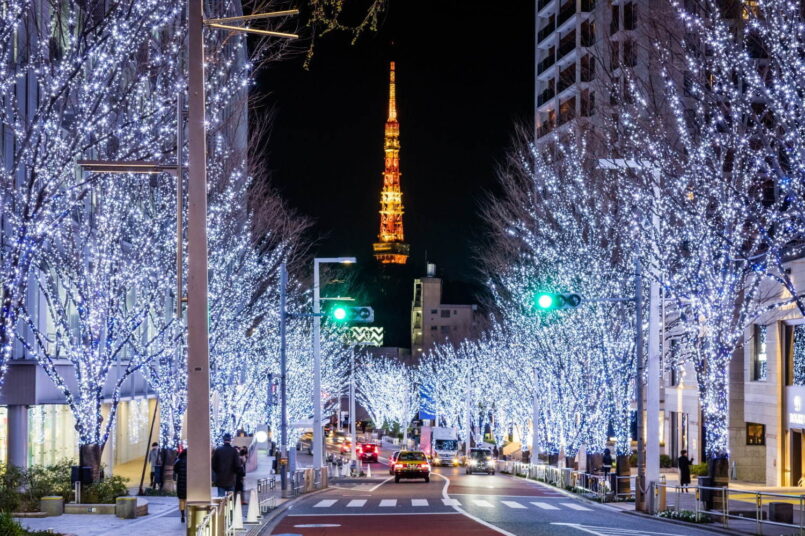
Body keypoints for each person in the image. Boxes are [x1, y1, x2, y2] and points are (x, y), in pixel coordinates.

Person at [173, 449, 188, 523]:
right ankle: (189, 515)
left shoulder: (178, 461)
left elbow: (175, 470)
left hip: (181, 483)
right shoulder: (192, 461)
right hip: (189, 483)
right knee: (188, 500)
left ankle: (182, 515)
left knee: (182, 500)